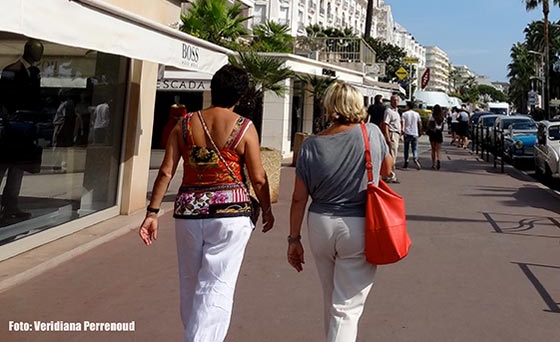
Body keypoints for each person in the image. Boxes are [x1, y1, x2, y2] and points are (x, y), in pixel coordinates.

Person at [139, 64, 274, 342]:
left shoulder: (184, 124)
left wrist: (152, 213)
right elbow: (258, 178)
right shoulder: (244, 128)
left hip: (188, 212)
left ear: (213, 89)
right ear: (240, 95)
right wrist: (268, 209)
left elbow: (166, 171)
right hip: (230, 214)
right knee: (218, 283)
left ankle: (195, 334)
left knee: (190, 281)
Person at [288, 81, 394, 342]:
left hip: (320, 224)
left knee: (332, 298)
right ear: (358, 105)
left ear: (329, 106)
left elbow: (299, 198)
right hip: (358, 225)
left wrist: (293, 239)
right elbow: (387, 169)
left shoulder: (311, 145)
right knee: (346, 307)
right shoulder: (371, 132)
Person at [0, 39, 44, 224]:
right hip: (11, 127)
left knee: (17, 168)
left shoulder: (34, 73)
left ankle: (11, 205)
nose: (39, 54)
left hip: (25, 128)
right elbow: (4, 98)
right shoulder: (12, 70)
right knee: (2, 166)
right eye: (37, 50)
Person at [382, 94, 402, 183]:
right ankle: (391, 175)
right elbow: (385, 124)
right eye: (394, 100)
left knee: (392, 154)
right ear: (391, 101)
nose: (396, 102)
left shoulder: (396, 111)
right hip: (392, 133)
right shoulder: (389, 111)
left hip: (396, 134)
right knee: (392, 155)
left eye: (397, 100)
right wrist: (387, 137)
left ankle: (386, 174)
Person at [401, 101, 422, 170]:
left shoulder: (404, 114)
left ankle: (406, 161)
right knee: (415, 148)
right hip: (415, 132)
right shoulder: (417, 114)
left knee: (406, 148)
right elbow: (419, 123)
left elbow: (403, 123)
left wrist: (402, 131)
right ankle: (415, 158)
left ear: (408, 106)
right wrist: (420, 131)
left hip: (407, 133)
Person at [427, 104, 446, 170]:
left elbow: (428, 124)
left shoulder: (431, 116)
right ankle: (438, 160)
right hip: (439, 133)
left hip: (432, 133)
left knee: (433, 149)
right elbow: (443, 127)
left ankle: (433, 164)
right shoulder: (442, 117)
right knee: (438, 149)